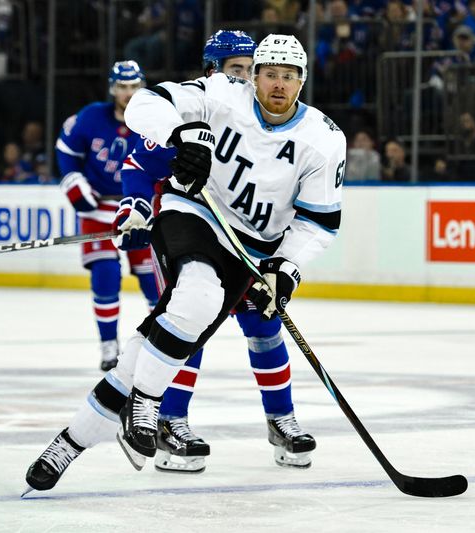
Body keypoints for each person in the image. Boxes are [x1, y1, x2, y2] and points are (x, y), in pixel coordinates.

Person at [23, 34, 346, 494]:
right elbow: (144, 114)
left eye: (288, 76)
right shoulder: (217, 97)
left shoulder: (323, 138)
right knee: (196, 299)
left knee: (158, 344)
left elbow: (318, 221)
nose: (277, 83)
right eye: (268, 73)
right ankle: (156, 409)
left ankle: (69, 442)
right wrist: (166, 159)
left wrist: (286, 267)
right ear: (253, 76)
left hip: (251, 250)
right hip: (192, 215)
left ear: (302, 81)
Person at [112, 30, 316, 474]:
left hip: (251, 247)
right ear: (212, 71)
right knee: (192, 323)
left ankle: (281, 419)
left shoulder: (259, 118)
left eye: (251, 70)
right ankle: (169, 422)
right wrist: (136, 206)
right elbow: (139, 163)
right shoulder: (200, 106)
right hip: (198, 238)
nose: (248, 79)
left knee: (264, 325)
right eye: (237, 70)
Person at [56, 60, 159, 371]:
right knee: (105, 275)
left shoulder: (156, 119)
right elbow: (66, 150)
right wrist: (72, 180)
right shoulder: (90, 117)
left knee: (152, 281)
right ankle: (108, 346)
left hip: (141, 209)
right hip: (99, 209)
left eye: (134, 87)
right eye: (123, 87)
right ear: (113, 89)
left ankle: (159, 343)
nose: (128, 93)